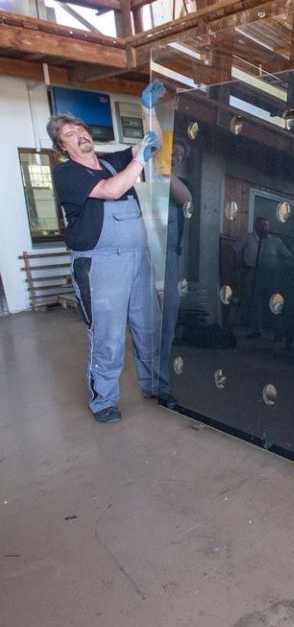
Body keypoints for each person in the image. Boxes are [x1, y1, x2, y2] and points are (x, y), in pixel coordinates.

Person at [48, 79, 171, 423]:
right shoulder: (67, 173)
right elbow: (112, 191)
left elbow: (154, 143)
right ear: (63, 146)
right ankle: (103, 401)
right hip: (101, 266)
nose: (80, 134)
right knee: (108, 336)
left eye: (81, 128)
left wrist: (148, 110)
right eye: (70, 134)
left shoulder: (113, 161)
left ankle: (156, 388)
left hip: (138, 261)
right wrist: (140, 161)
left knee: (150, 329)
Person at [158, 140, 193, 388]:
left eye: (180, 154)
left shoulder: (181, 184)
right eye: (173, 151)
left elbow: (186, 199)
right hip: (140, 254)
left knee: (168, 314)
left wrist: (165, 172)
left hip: (168, 256)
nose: (176, 156)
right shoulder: (144, 177)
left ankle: (159, 379)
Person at [235, 216, 292, 338]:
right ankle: (256, 330)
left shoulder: (276, 241)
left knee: (274, 302)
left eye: (266, 225)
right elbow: (235, 251)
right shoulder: (248, 238)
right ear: (256, 226)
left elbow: (288, 256)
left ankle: (278, 332)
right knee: (255, 302)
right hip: (252, 272)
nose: (263, 228)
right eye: (261, 225)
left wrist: (281, 270)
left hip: (271, 275)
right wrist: (239, 268)